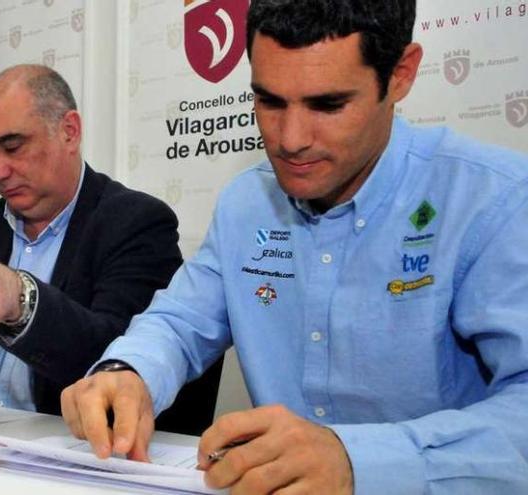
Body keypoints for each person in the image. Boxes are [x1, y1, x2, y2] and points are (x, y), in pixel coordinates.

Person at [61, 1, 528, 493]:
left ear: (401, 74)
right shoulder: (247, 201)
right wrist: (128, 371)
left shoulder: (491, 201)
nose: (290, 139)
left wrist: (357, 461)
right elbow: (179, 323)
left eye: (327, 105)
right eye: (269, 101)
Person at [0, 64, 223, 434]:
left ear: (69, 131)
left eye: (13, 147)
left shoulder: (135, 222)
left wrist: (21, 301)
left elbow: (121, 363)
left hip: (65, 450)